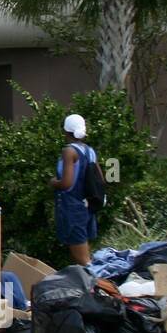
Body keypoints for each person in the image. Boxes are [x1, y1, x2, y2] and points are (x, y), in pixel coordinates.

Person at [49, 113, 102, 265]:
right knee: (85, 253)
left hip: (72, 207)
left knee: (83, 260)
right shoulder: (90, 151)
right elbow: (101, 179)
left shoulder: (69, 151)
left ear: (65, 131)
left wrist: (53, 182)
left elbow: (66, 183)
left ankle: (97, 287)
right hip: (86, 207)